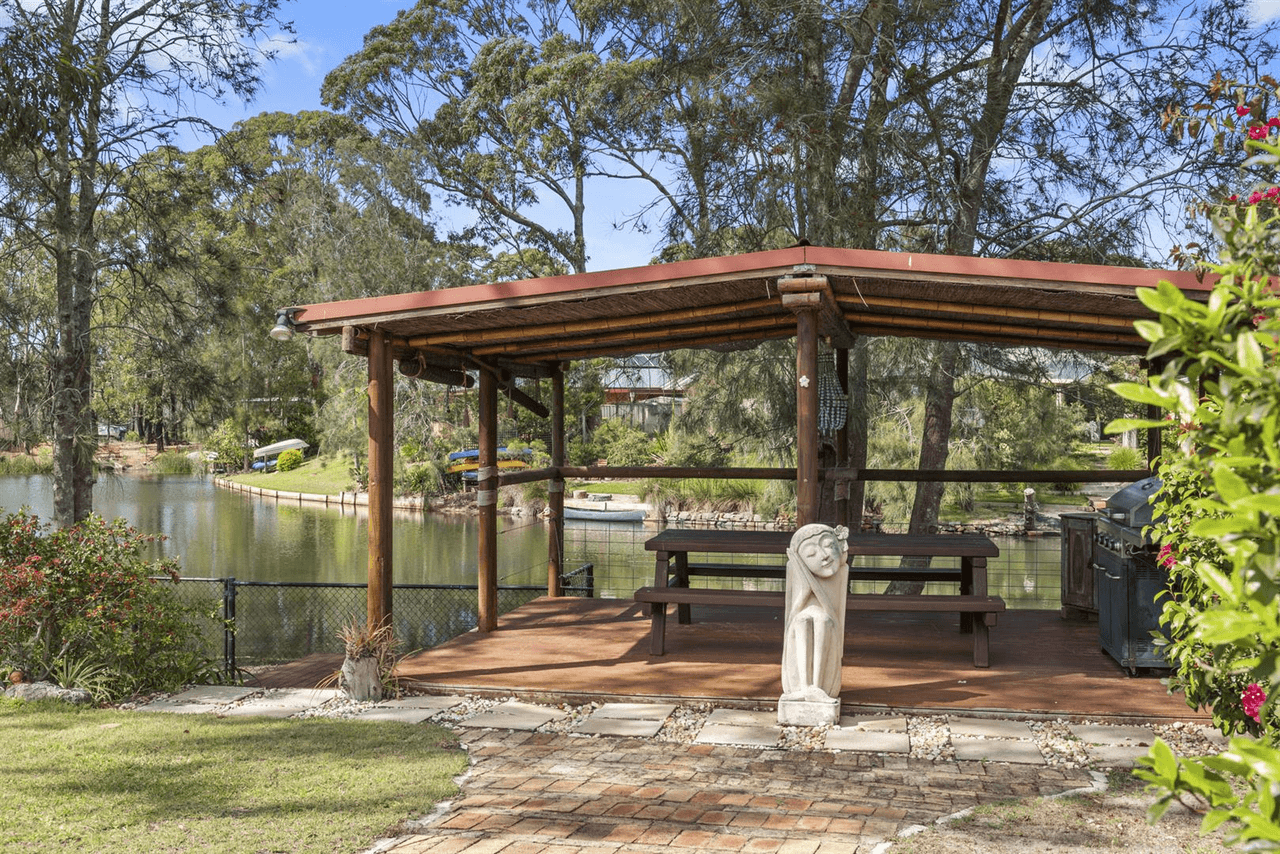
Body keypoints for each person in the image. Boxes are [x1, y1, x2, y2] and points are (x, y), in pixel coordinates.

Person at [781, 523, 850, 703]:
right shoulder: (795, 571)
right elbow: (791, 617)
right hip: (800, 621)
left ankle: (818, 687)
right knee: (802, 620)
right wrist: (804, 591)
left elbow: (836, 615)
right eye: (811, 554)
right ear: (800, 560)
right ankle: (803, 687)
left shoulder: (841, 572)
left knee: (822, 620)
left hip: (828, 623)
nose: (824, 555)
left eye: (828, 545)